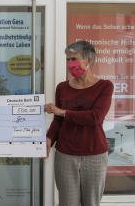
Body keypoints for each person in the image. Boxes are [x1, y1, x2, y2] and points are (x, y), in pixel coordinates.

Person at [44, 40, 114, 206]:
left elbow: (95, 117)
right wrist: (48, 139)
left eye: (73, 58)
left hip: (94, 154)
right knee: (67, 202)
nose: (70, 64)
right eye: (68, 60)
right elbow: (58, 121)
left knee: (91, 202)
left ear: (88, 60)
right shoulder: (62, 87)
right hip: (65, 155)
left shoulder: (105, 86)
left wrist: (62, 111)